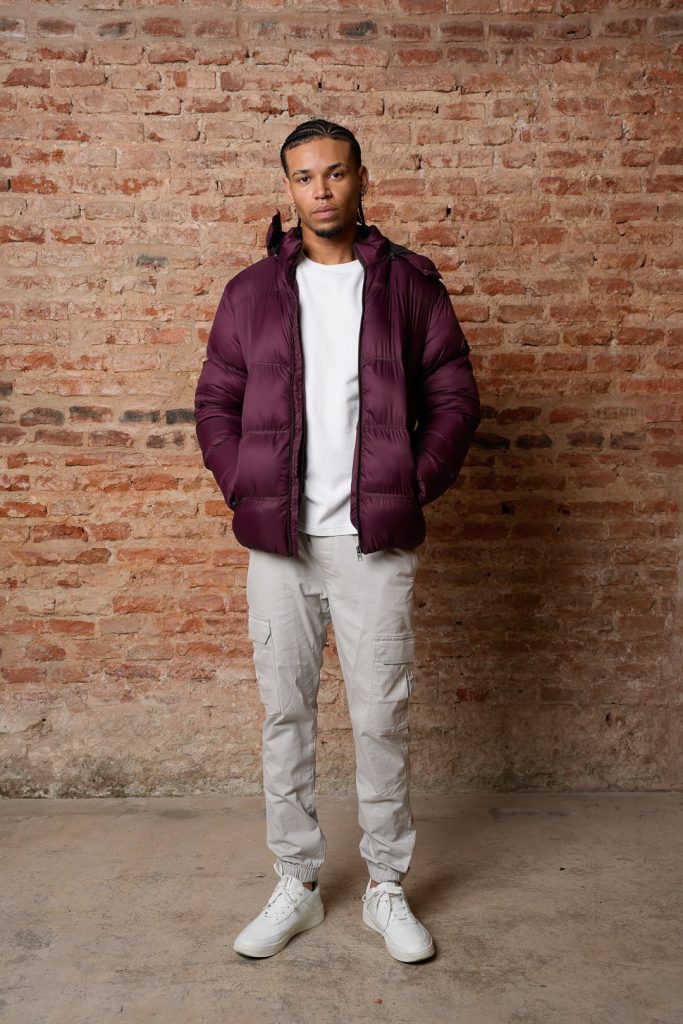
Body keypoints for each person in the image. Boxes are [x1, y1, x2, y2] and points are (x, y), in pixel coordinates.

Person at [194, 118, 480, 963]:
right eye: (303, 176)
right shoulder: (250, 292)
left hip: (372, 545)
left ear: (360, 179)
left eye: (334, 173)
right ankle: (296, 883)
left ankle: (386, 887)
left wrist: (411, 484)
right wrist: (244, 483)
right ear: (287, 189)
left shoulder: (408, 286)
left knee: (379, 717)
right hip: (278, 545)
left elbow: (454, 395)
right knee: (285, 716)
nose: (319, 190)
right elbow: (215, 401)